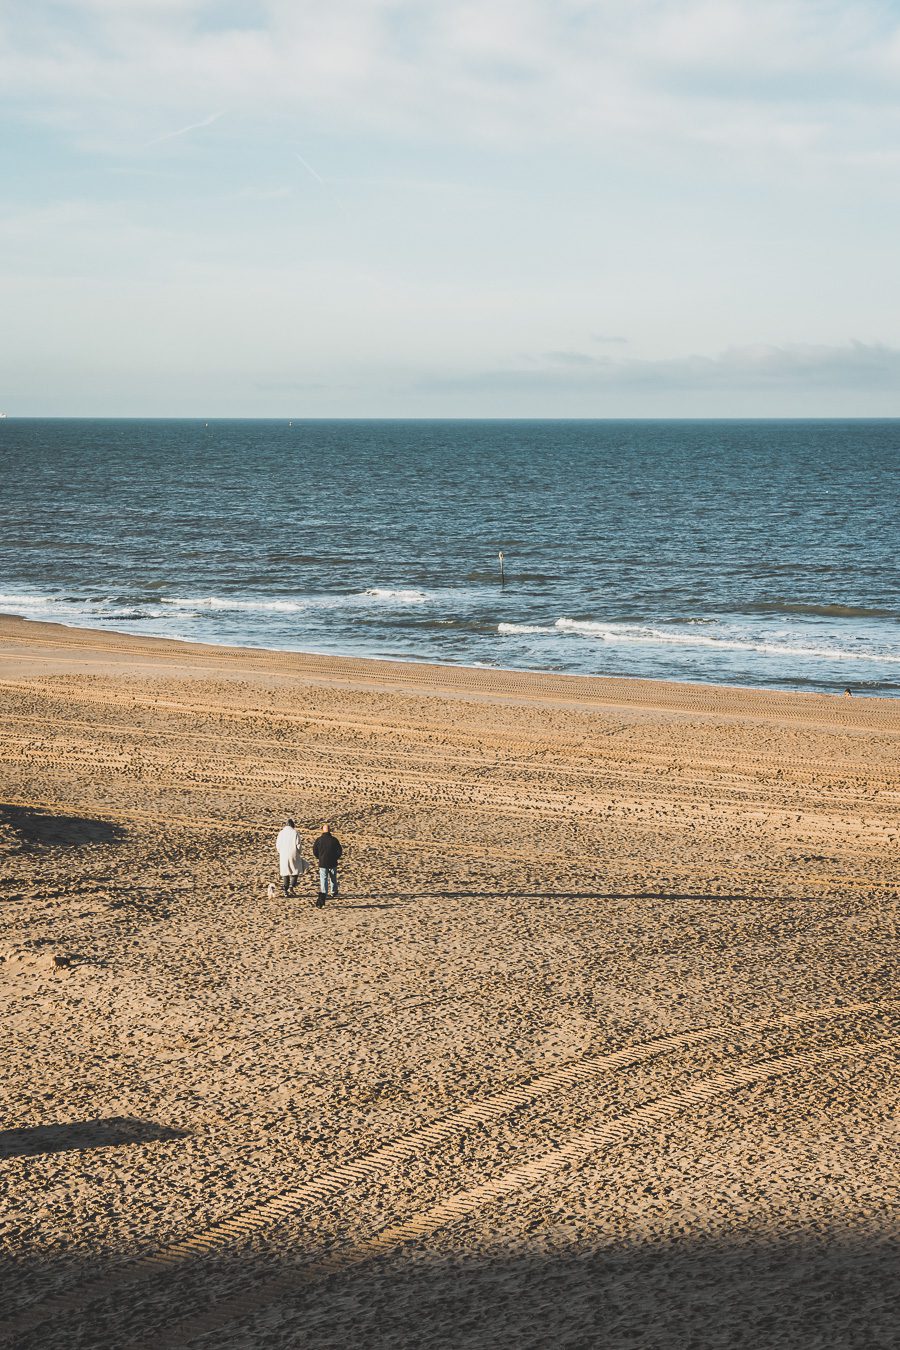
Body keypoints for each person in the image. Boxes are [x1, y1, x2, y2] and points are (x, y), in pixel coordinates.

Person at [312, 823, 343, 906]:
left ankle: (324, 893)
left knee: (324, 878)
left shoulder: (319, 840)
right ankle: (333, 892)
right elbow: (339, 851)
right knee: (333, 878)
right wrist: (336, 858)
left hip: (323, 862)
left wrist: (319, 857)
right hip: (332, 862)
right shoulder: (334, 840)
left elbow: (315, 851)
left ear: (323, 830)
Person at [275, 818, 307, 896]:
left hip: (283, 854)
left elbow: (278, 845)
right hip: (293, 853)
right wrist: (299, 852)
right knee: (295, 871)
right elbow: (298, 845)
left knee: (285, 872)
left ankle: (285, 890)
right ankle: (291, 887)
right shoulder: (295, 832)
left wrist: (281, 852)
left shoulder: (281, 833)